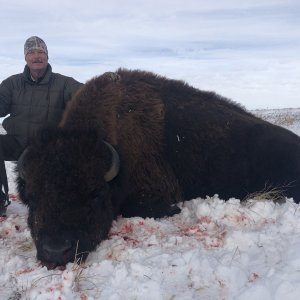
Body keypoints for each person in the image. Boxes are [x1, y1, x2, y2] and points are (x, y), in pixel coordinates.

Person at [0, 36, 83, 215]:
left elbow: (86, 95)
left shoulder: (64, 83)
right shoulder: (11, 84)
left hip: (49, 148)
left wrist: (105, 84)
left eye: (41, 52)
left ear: (47, 56)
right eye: (31, 52)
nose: (36, 56)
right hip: (17, 143)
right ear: (25, 57)